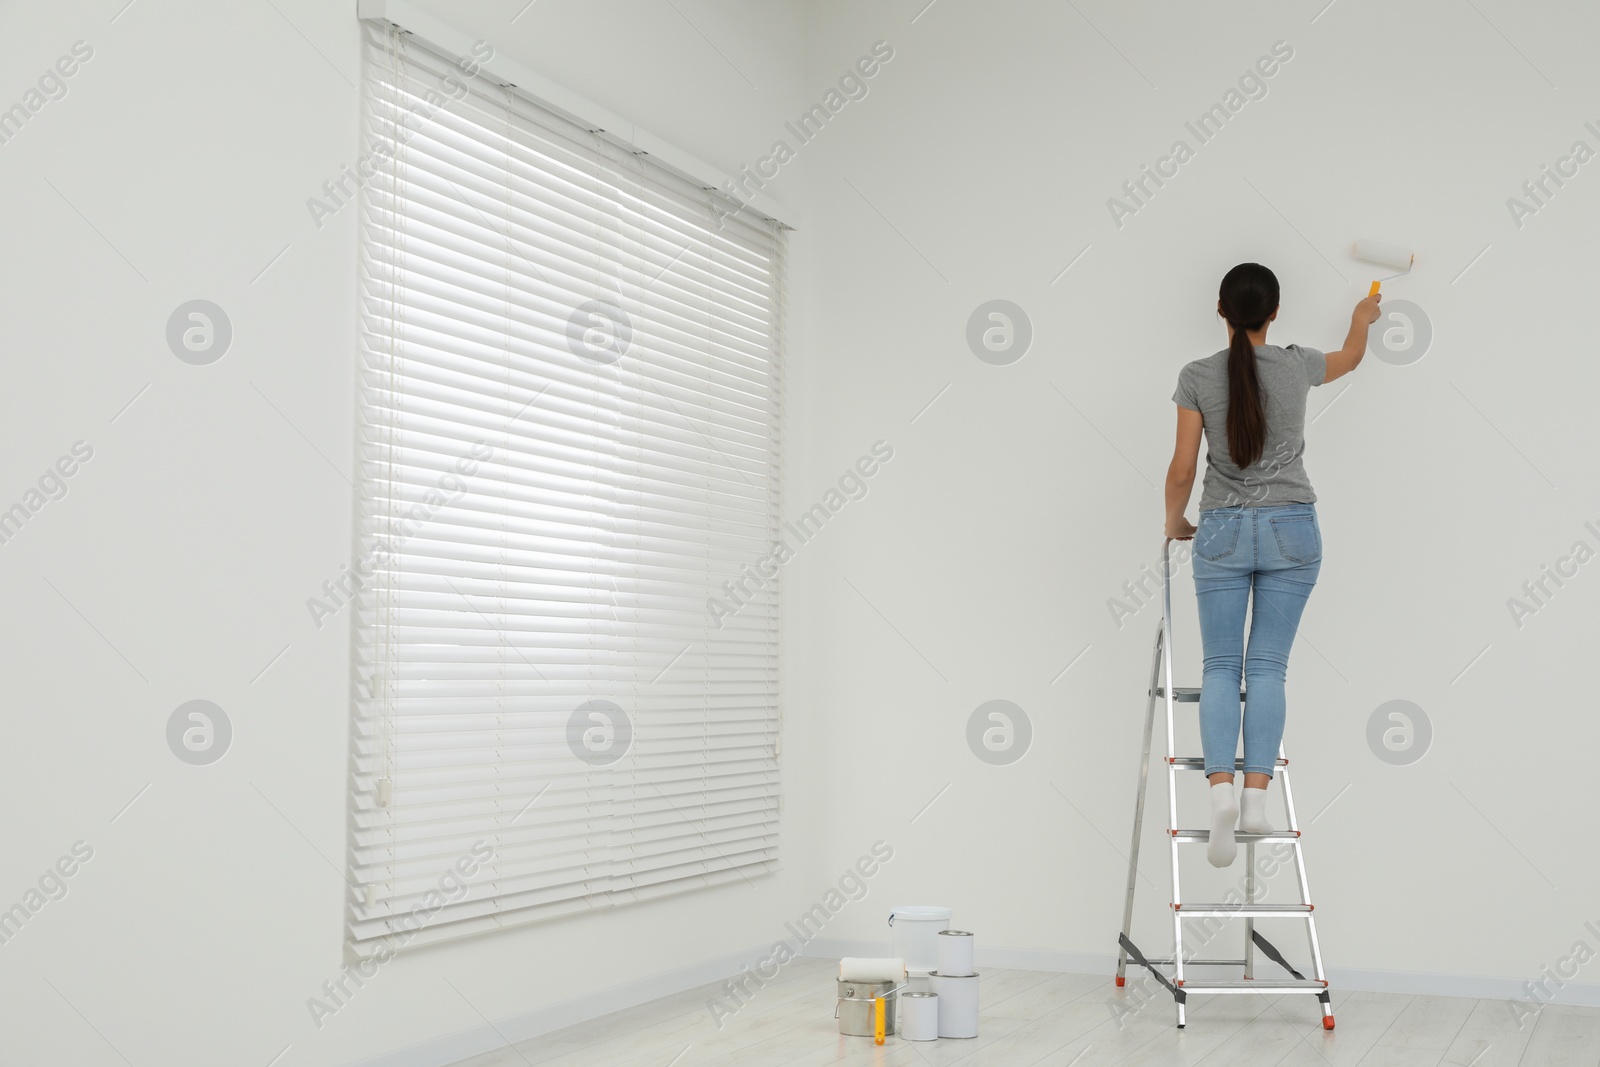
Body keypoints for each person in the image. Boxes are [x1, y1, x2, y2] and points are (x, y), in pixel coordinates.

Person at [1163, 262, 1381, 867]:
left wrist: (1173, 521)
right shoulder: (1296, 364)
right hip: (1292, 528)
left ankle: (1221, 793)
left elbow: (1183, 468)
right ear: (1275, 312)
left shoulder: (1196, 376)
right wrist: (1363, 319)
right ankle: (1257, 802)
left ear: (1219, 308)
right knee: (1265, 669)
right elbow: (1350, 357)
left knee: (1218, 667)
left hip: (1222, 529)